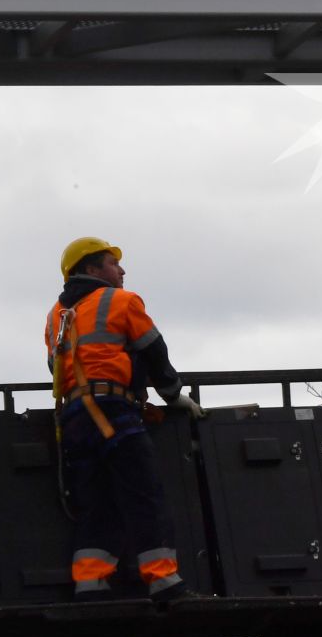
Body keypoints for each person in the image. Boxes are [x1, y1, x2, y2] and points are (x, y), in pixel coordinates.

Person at [45, 236, 205, 602]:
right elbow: (154, 352)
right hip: (114, 413)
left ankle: (90, 583)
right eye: (113, 264)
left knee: (95, 501)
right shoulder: (123, 301)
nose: (122, 270)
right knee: (144, 494)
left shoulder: (55, 314)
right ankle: (164, 581)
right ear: (91, 269)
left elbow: (56, 367)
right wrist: (173, 396)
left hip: (74, 418)